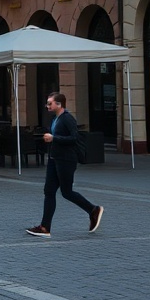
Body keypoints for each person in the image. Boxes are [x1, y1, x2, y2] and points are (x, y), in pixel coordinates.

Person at [26, 92, 103, 238]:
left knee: (67, 192)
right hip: (54, 159)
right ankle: (44, 228)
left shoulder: (68, 119)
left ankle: (93, 210)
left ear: (59, 104)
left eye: (50, 103)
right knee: (49, 191)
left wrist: (54, 138)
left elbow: (74, 138)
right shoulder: (56, 118)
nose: (47, 106)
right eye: (47, 103)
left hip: (66, 160)